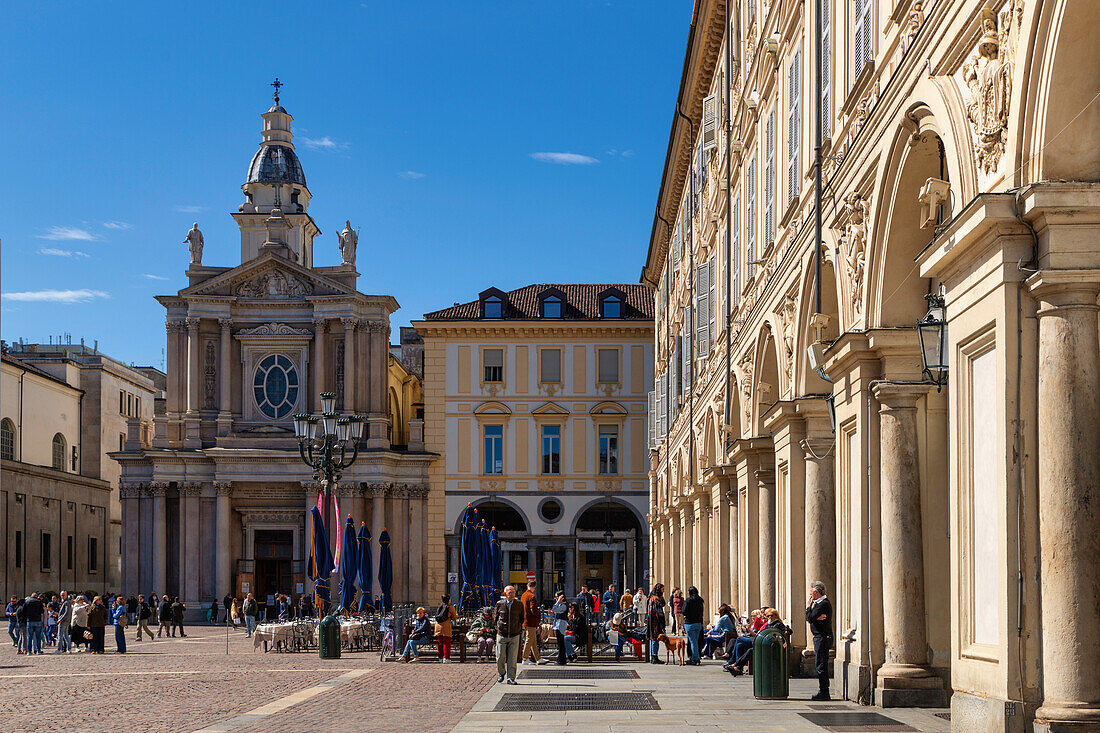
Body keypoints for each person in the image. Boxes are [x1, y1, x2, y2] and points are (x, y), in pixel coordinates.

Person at [726, 608, 791, 676]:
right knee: (740, 645)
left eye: (772, 615)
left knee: (745, 645)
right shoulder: (769, 624)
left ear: (776, 615)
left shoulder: (778, 624)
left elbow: (778, 634)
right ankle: (738, 668)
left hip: (771, 647)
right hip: (764, 644)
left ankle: (734, 664)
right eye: (768, 616)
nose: (770, 617)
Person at [807, 581, 834, 701]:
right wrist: (814, 616)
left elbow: (809, 618)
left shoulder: (823, 604)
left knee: (821, 665)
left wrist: (809, 607)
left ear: (817, 592)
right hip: (819, 637)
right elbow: (812, 618)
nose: (810, 595)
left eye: (811, 592)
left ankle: (824, 692)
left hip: (822, 638)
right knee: (820, 664)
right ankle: (823, 690)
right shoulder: (818, 604)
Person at [493, 584, 525, 684]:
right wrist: (498, 627)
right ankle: (501, 673)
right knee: (500, 656)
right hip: (502, 633)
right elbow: (496, 617)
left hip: (514, 634)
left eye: (513, 592)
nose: (512, 594)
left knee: (512, 658)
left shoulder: (519, 604)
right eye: (510, 592)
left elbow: (521, 617)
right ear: (505, 594)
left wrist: (518, 628)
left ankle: (511, 677)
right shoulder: (500, 603)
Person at [520, 580, 544, 665]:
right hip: (531, 621)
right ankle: (525, 658)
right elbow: (533, 609)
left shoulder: (523, 595)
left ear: (527, 585)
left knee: (533, 640)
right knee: (529, 639)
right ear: (534, 587)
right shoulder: (531, 596)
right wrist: (539, 615)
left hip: (525, 620)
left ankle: (538, 658)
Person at [682, 586, 705, 665]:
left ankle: (696, 659)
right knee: (696, 640)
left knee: (693, 641)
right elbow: (702, 612)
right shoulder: (700, 600)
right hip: (698, 623)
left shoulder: (688, 600)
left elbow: (684, 611)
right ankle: (695, 657)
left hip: (689, 623)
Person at [646, 584, 667, 664]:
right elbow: (659, 609)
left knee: (652, 638)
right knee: (655, 638)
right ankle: (654, 657)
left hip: (651, 620)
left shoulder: (651, 597)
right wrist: (662, 623)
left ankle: (653, 656)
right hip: (655, 621)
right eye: (662, 589)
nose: (663, 591)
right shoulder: (655, 599)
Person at [434, 594, 458, 663]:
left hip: (438, 627)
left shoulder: (440, 607)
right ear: (449, 600)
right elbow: (454, 618)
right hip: (445, 627)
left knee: (440, 643)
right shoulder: (450, 607)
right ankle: (446, 658)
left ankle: (440, 658)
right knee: (446, 643)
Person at [551, 591, 569, 666]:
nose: (556, 598)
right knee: (560, 643)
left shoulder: (564, 605)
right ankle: (561, 658)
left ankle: (562, 659)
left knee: (561, 643)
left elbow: (554, 609)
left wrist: (558, 601)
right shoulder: (561, 605)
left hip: (561, 625)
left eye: (557, 597)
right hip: (558, 624)